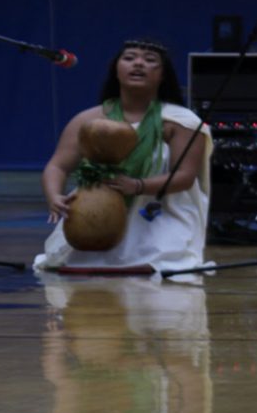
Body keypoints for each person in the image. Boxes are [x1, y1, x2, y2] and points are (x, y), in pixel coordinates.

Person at [34, 39, 212, 280]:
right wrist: (54, 196)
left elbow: (184, 177)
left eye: (150, 61)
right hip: (96, 212)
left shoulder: (181, 121)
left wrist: (138, 185)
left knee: (162, 263)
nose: (138, 64)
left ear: (162, 76)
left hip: (159, 211)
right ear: (116, 70)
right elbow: (58, 165)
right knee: (81, 262)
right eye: (129, 58)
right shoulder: (89, 119)